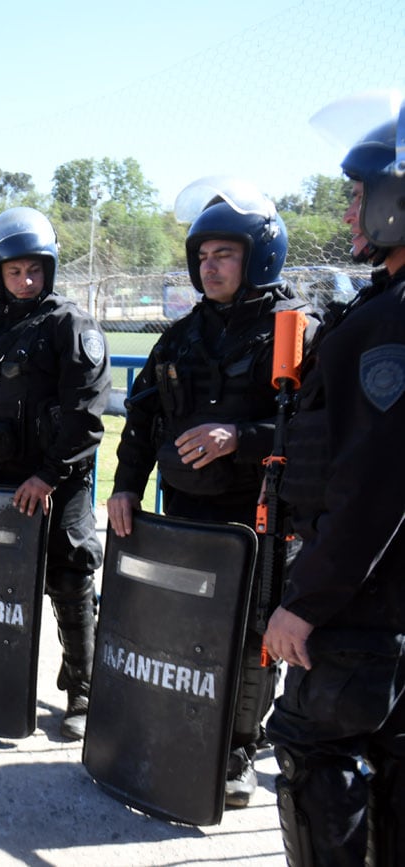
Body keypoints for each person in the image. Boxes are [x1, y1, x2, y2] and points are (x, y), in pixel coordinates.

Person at [106, 180, 308, 800]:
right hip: (188, 513)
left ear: (257, 256)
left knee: (252, 634)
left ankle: (239, 751)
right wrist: (124, 487)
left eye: (224, 254)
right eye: (202, 256)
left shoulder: (293, 331)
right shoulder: (182, 335)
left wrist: (238, 438)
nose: (209, 267)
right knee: (186, 623)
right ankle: (180, 729)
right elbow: (142, 419)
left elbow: (316, 429)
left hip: (262, 516)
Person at [262, 93, 405, 864]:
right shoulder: (380, 306)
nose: (349, 210)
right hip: (386, 608)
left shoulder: (390, 321)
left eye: (358, 194)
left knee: (316, 758)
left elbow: (375, 488)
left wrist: (303, 604)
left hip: (359, 611)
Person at [0, 207, 109, 741]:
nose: (27, 280)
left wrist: (50, 476)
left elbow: (86, 412)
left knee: (69, 576)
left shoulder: (69, 325)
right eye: (15, 271)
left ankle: (84, 687)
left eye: (35, 270)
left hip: (54, 484)